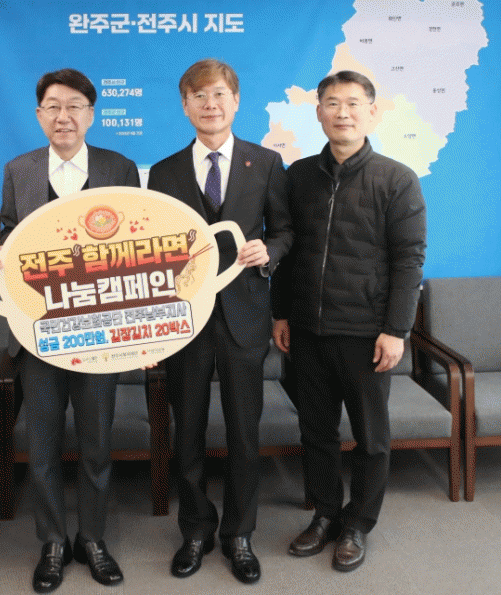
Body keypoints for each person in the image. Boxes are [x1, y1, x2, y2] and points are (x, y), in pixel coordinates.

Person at [0, 68, 140, 593]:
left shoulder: (119, 168)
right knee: (43, 445)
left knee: (96, 444)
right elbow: (11, 231)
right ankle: (52, 541)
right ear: (39, 115)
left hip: (99, 335)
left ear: (91, 114)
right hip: (38, 334)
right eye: (53, 106)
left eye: (75, 106)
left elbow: (135, 249)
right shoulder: (19, 169)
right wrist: (3, 255)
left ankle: (92, 539)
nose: (63, 116)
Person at [271, 70, 426, 572]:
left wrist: (396, 330)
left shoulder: (396, 179)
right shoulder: (297, 177)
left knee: (370, 437)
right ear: (318, 112)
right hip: (307, 331)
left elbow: (409, 260)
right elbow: (286, 251)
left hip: (366, 333)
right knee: (316, 431)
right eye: (333, 103)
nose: (343, 112)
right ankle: (324, 515)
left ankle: (358, 523)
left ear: (372, 112)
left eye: (354, 103)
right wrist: (281, 312)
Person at [147, 59, 292, 585]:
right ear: (185, 105)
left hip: (244, 315)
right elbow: (152, 251)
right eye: (199, 96)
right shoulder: (163, 172)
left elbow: (286, 230)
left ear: (236, 102)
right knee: (186, 431)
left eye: (219, 95)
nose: (210, 104)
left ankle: (239, 534)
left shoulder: (266, 162)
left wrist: (269, 250)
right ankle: (195, 530)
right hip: (184, 321)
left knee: (244, 432)